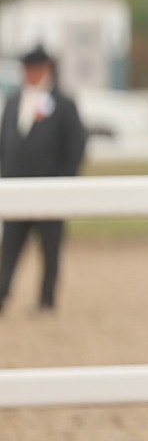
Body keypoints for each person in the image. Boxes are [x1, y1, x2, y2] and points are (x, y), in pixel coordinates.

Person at [0, 45, 88, 315]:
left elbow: (76, 144)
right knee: (10, 247)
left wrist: (63, 180)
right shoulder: (14, 101)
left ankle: (46, 300)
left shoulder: (62, 103)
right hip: (16, 187)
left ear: (44, 69)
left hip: (51, 187)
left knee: (50, 248)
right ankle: (2, 294)